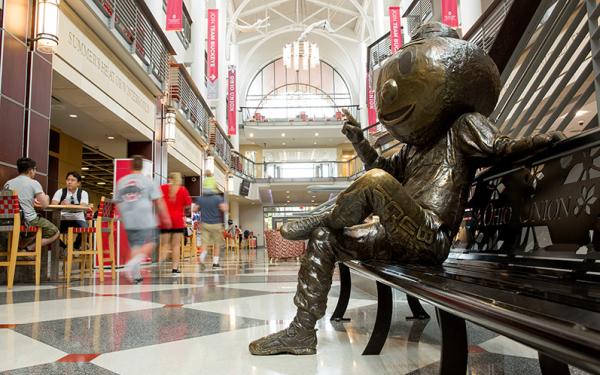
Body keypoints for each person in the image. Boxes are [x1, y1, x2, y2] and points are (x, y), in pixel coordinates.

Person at [248, 23, 565, 356]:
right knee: (326, 236)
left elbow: (500, 147)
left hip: (430, 238)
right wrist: (359, 141)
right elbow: (383, 171)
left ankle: (319, 214)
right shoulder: (413, 148)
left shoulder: (462, 126)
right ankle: (301, 332)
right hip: (399, 235)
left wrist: (538, 143)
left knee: (373, 185)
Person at [115, 155, 171, 283]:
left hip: (128, 218)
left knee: (136, 245)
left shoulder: (122, 181)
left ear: (131, 166)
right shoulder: (148, 181)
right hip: (145, 217)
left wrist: (124, 214)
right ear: (142, 166)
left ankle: (135, 274)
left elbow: (117, 201)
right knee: (152, 241)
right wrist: (166, 217)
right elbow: (159, 201)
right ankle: (131, 265)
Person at [4, 158, 60, 250]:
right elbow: (44, 205)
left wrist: (31, 200)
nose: (35, 172)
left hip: (9, 221)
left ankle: (18, 249)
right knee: (55, 232)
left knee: (34, 232)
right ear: (30, 170)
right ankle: (28, 249)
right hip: (28, 221)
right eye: (35, 169)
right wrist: (47, 197)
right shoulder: (33, 183)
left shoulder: (8, 183)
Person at [159, 172, 192, 274]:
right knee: (176, 245)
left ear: (169, 179)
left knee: (164, 244)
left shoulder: (162, 188)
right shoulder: (183, 190)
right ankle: (175, 268)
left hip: (165, 220)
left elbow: (157, 202)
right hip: (177, 220)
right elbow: (188, 206)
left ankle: (161, 262)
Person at [51, 171, 89, 250]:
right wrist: (60, 204)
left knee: (86, 229)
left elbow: (84, 206)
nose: (69, 182)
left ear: (78, 183)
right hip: (63, 218)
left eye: (72, 180)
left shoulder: (83, 193)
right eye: (68, 180)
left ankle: (75, 247)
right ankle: (64, 248)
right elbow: (53, 204)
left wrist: (68, 206)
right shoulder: (60, 192)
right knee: (50, 231)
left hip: (78, 218)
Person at [195, 177, 228, 269]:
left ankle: (201, 258)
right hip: (216, 224)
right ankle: (215, 264)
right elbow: (224, 208)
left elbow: (195, 209)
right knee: (217, 243)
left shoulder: (201, 198)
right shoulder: (218, 198)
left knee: (204, 243)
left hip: (204, 224)